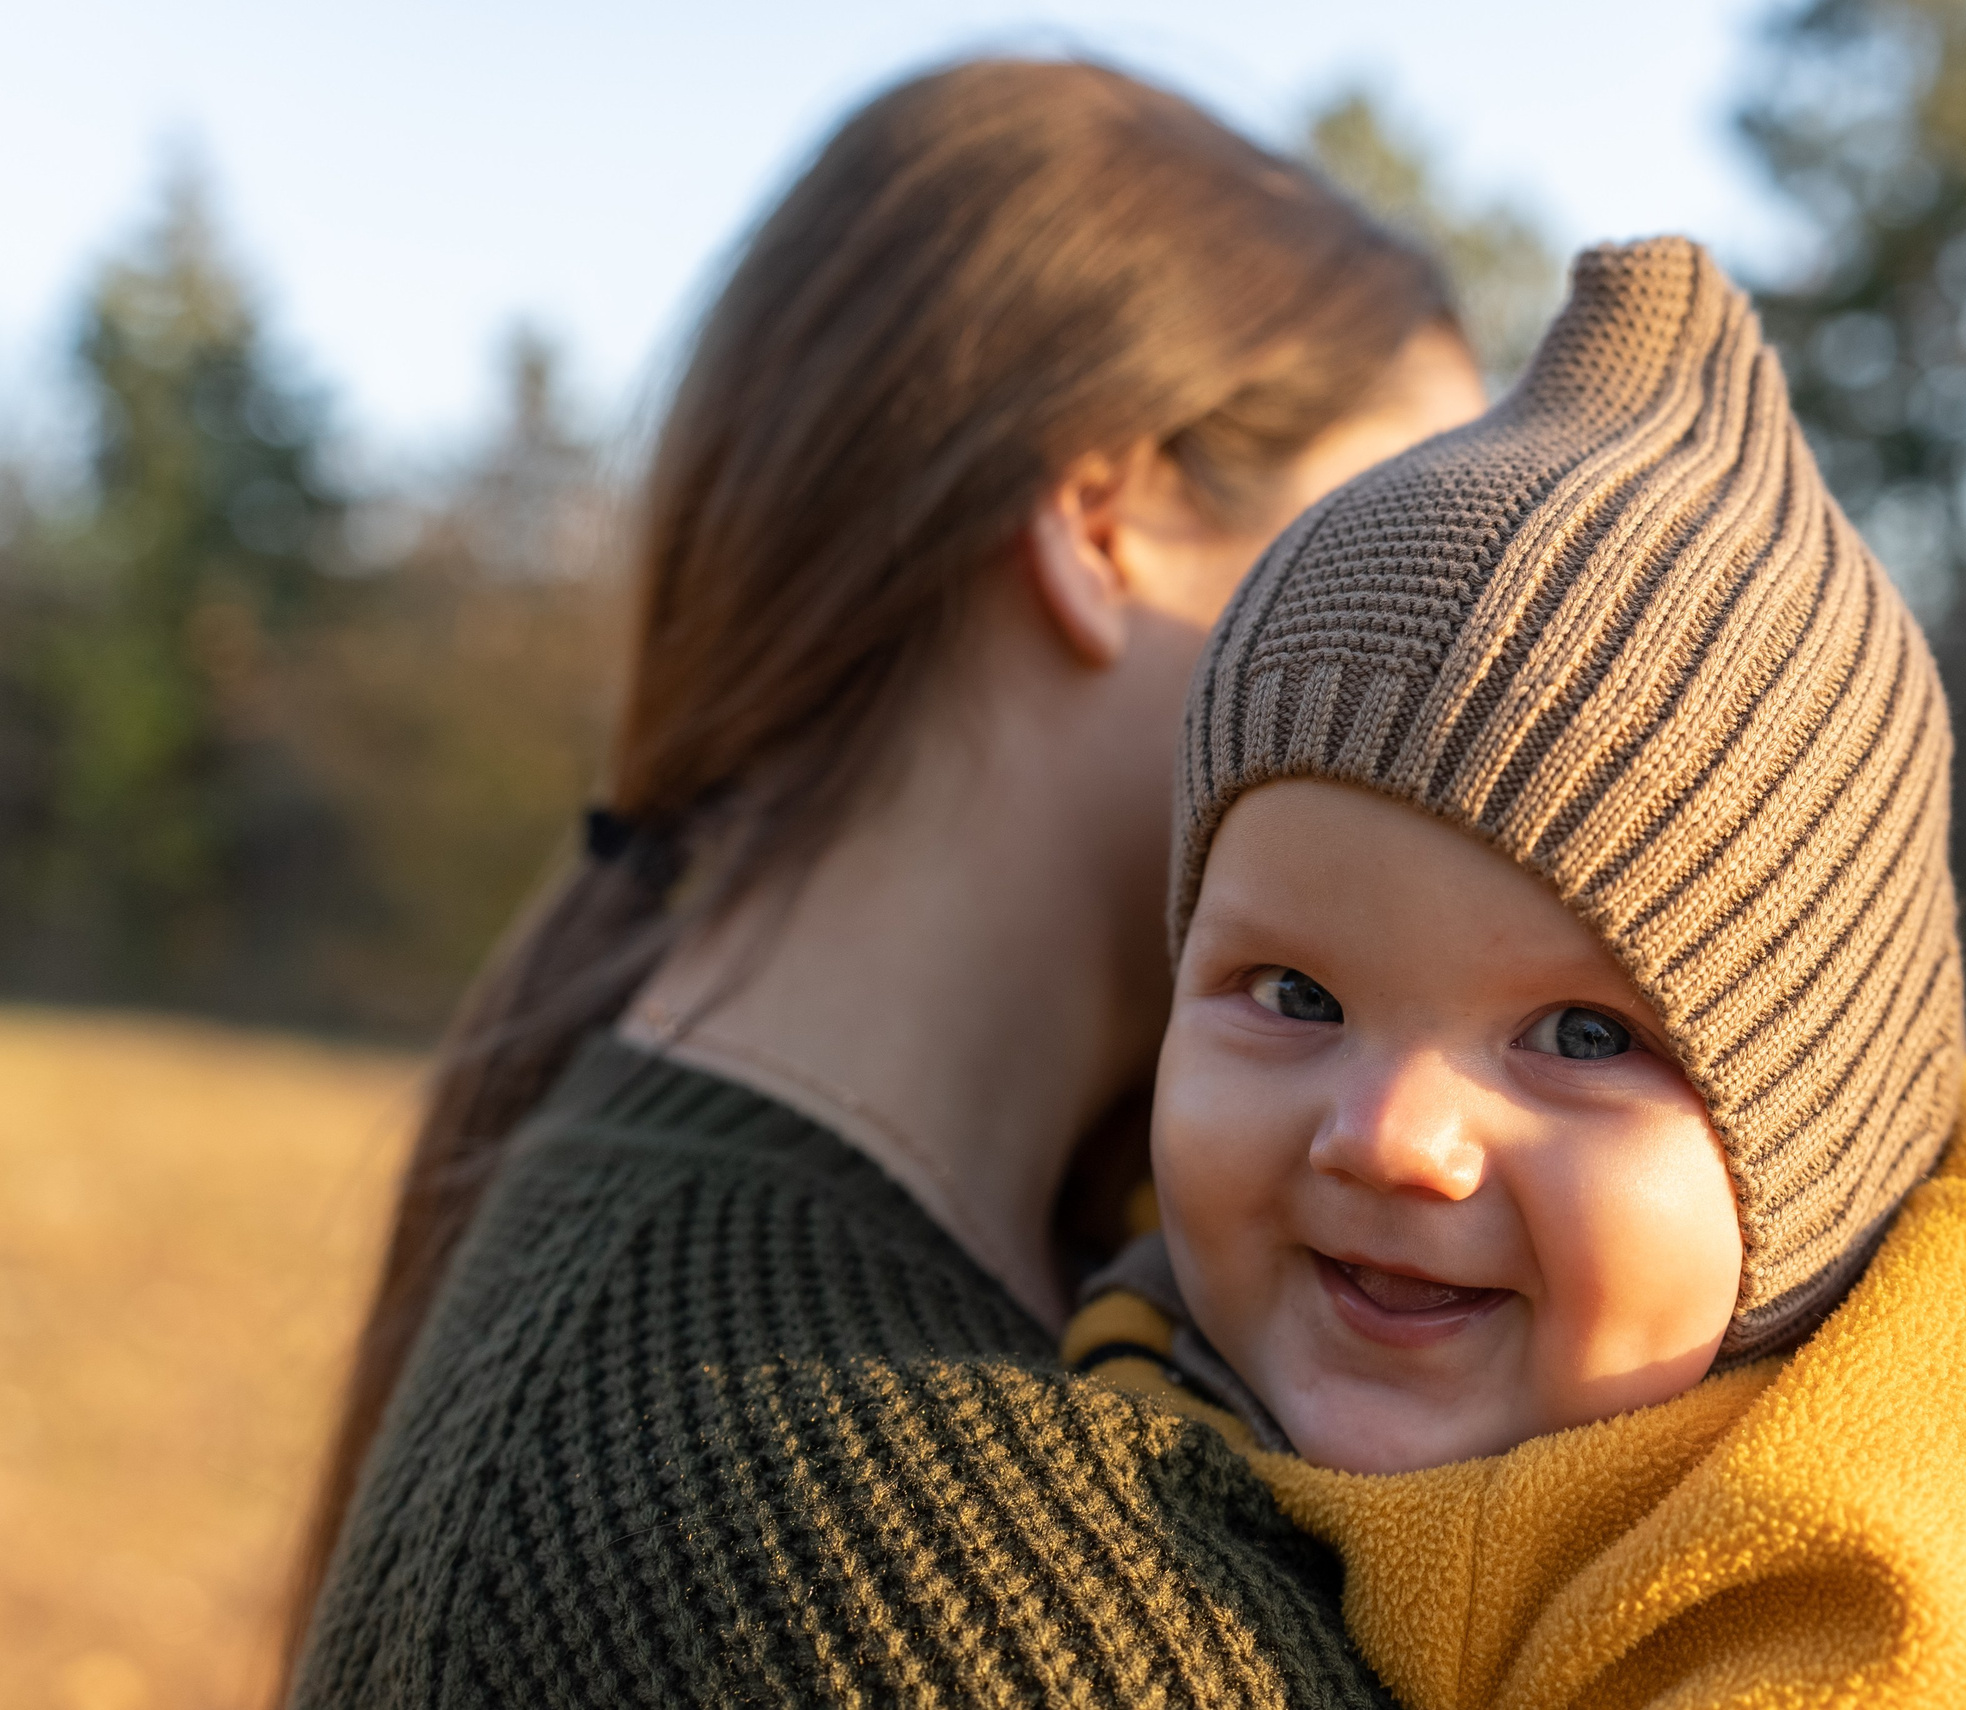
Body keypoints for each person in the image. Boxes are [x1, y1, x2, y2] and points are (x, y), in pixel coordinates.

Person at [283, 59, 1485, 1707]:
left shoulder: (707, 1236)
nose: (1458, 695)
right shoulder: (918, 1553)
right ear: (1102, 521)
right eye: (1397, 563)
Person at [1065, 238, 1966, 1708]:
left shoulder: (1909, 1562)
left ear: (1813, 1150)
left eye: (1577, 1033)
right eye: (1296, 996)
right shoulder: (1162, 1276)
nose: (1387, 1135)